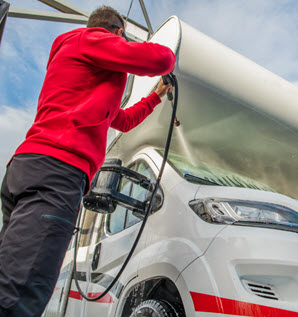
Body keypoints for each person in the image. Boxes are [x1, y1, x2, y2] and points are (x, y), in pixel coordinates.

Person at [0, 6, 176, 317]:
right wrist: (138, 49)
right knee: (23, 291)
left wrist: (156, 96)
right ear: (117, 34)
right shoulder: (89, 40)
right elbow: (162, 58)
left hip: (28, 166)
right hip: (56, 174)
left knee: (9, 274)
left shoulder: (80, 68)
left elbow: (120, 120)